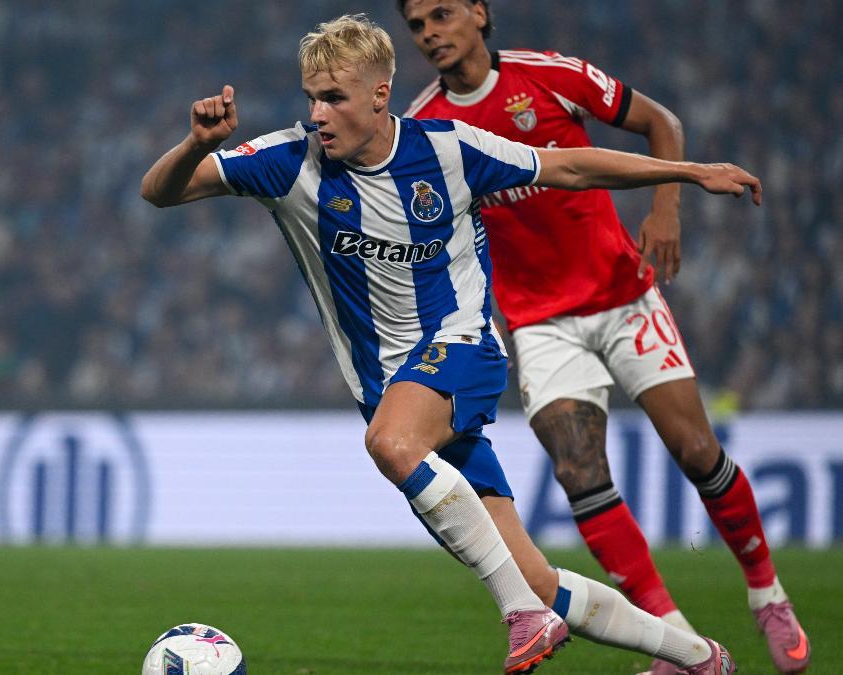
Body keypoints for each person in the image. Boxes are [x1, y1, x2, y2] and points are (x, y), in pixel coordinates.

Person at [141, 14, 756, 675]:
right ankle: (701, 657)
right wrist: (194, 145)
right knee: (536, 576)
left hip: (461, 349)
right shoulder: (288, 162)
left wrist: (688, 172)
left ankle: (521, 616)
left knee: (390, 443)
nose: (318, 114)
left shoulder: (448, 149)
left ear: (380, 94)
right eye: (312, 98)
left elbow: (570, 166)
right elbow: (159, 192)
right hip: (391, 389)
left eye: (335, 98)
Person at [397, 1, 810, 672]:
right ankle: (677, 643)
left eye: (441, 13)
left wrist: (667, 209)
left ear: (478, 11)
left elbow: (660, 122)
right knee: (578, 471)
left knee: (697, 450)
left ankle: (767, 593)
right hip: (538, 320)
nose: (429, 33)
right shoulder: (425, 126)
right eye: (417, 25)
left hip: (622, 293)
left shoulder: (549, 75)